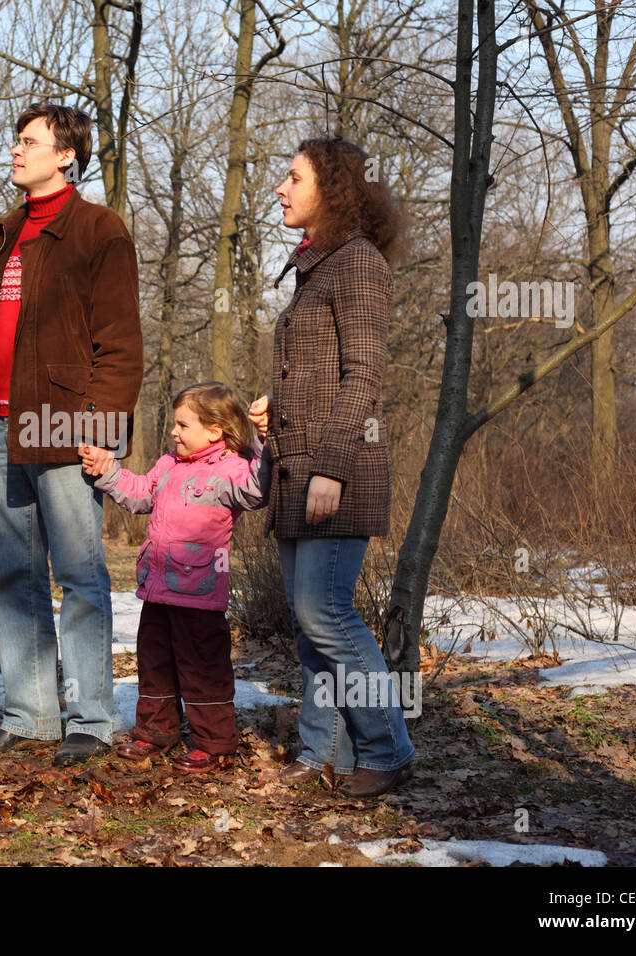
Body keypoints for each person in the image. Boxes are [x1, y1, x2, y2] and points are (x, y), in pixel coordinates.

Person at [0, 102, 143, 767]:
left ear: (66, 156)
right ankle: (29, 717)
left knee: (80, 575)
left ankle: (89, 720)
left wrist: (102, 429)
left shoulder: (100, 230)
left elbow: (120, 345)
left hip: (65, 425)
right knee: (15, 574)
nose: (16, 151)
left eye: (29, 142)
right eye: (15, 140)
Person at [248, 135, 415, 797]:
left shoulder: (358, 263)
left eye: (293, 178)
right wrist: (277, 407)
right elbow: (319, 372)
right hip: (298, 469)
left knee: (327, 615)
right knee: (310, 623)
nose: (281, 189)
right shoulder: (317, 264)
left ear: (331, 189)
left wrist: (332, 468)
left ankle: (388, 748)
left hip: (333, 474)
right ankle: (322, 754)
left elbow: (364, 376)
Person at [79, 383, 271, 774]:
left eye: (183, 425)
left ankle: (215, 743)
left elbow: (256, 490)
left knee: (203, 668)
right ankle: (155, 732)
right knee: (155, 663)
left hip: (200, 596)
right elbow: (139, 495)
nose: (174, 432)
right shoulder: (168, 464)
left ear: (215, 430)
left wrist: (266, 441)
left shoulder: (231, 469)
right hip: (157, 590)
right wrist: (109, 469)